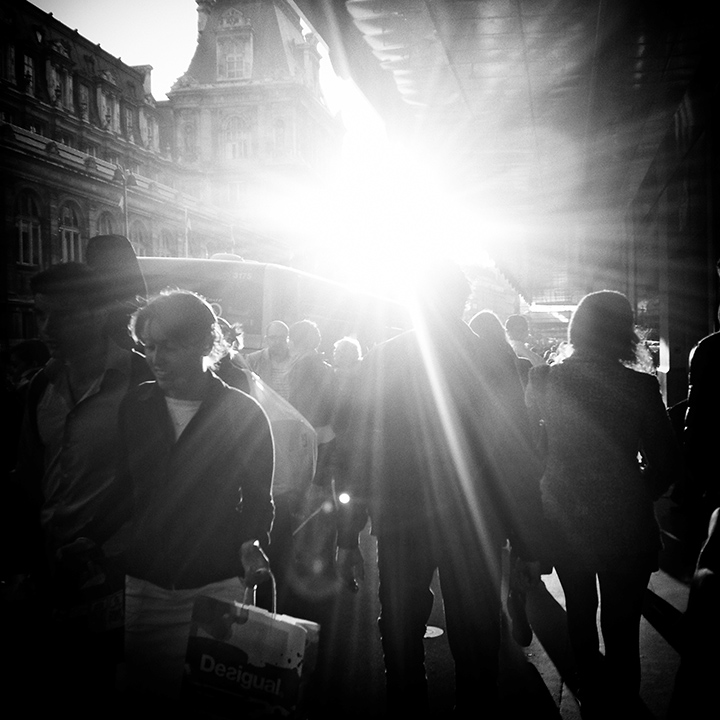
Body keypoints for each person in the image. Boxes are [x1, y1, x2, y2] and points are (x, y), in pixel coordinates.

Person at [336, 261, 544, 718]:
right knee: (475, 632)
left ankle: (407, 707)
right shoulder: (493, 360)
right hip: (474, 521)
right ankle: (473, 710)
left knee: (400, 626)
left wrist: (347, 533)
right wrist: (528, 542)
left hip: (403, 518)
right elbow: (514, 455)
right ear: (463, 302)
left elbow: (357, 452)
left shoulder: (385, 358)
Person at [524, 290, 681, 717]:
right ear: (624, 332)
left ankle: (592, 696)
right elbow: (666, 460)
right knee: (622, 623)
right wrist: (635, 490)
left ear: (577, 328)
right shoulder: (641, 386)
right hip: (625, 520)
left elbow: (533, 452)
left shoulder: (544, 380)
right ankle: (624, 704)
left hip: (567, 514)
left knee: (579, 612)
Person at [115, 289, 274, 704]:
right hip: (145, 584)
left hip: (215, 586)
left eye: (169, 346)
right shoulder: (135, 405)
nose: (156, 358)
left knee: (210, 708)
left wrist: (252, 542)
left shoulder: (243, 413)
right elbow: (123, 491)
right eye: (148, 347)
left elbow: (259, 499)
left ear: (206, 344)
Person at [10, 262, 151, 715]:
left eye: (61, 315)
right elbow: (30, 478)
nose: (47, 327)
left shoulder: (142, 380)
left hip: (117, 569)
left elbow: (155, 478)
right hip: (52, 569)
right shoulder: (40, 387)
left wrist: (102, 542)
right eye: (40, 315)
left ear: (95, 313)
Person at [246, 320, 293, 400]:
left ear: (288, 339)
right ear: (266, 339)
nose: (277, 342)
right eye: (273, 337)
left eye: (282, 337)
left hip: (290, 410)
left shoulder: (296, 360)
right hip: (263, 410)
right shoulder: (253, 360)